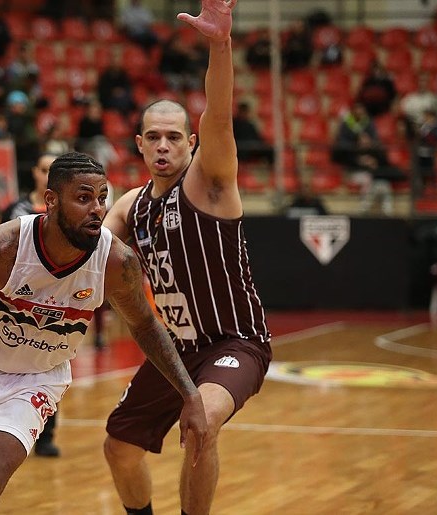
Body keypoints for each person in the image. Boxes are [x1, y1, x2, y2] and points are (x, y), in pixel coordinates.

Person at [0, 151, 207, 514]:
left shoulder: (116, 263)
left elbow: (145, 326)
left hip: (35, 378)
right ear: (51, 200)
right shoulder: (0, 246)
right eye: (83, 197)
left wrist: (190, 395)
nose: (97, 209)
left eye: (102, 197)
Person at [101, 2, 272, 514]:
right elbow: (94, 249)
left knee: (201, 422)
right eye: (152, 136)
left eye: (174, 137)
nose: (163, 145)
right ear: (138, 144)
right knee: (119, 448)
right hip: (173, 349)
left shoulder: (208, 182)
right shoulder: (131, 206)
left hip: (233, 342)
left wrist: (219, 47)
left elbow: (218, 114)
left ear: (190, 144)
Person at [1, 153, 62, 457]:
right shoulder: (17, 210)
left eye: (53, 170)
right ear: (35, 174)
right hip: (16, 298)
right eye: (43, 169)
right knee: (8, 360)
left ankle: (46, 433)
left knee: (51, 362)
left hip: (55, 301)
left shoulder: (67, 212)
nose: (47, 175)